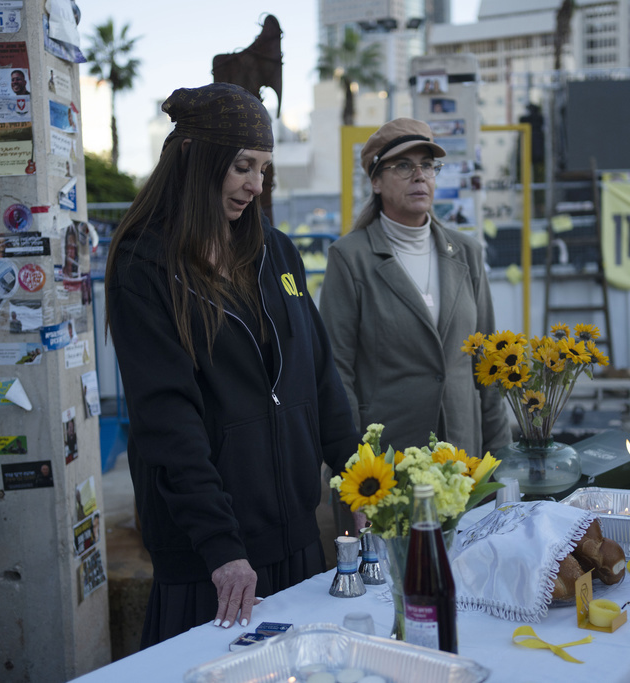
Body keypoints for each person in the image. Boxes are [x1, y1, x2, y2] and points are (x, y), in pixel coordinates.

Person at [105, 82, 359, 647]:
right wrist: (221, 547)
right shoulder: (145, 266)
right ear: (196, 158)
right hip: (214, 561)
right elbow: (167, 420)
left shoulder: (277, 251)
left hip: (297, 539)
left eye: (264, 169)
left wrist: (358, 485)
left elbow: (320, 380)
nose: (255, 185)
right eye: (242, 165)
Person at [318, 118, 510, 460]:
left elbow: (490, 362)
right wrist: (355, 463)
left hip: (465, 458)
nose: (419, 175)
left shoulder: (466, 252)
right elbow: (336, 371)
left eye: (427, 165)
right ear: (376, 181)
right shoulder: (350, 258)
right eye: (403, 166)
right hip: (388, 461)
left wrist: (500, 456)